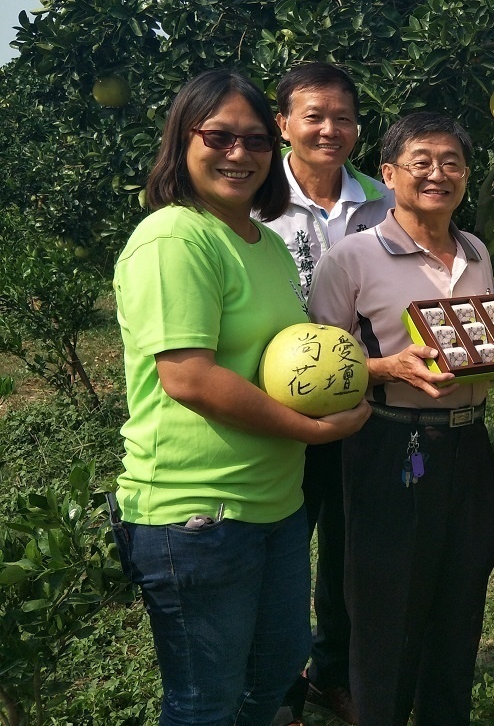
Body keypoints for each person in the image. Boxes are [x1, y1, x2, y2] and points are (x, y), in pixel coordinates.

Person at [109, 69, 369, 726]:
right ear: (181, 140)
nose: (239, 154)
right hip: (199, 511)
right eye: (219, 136)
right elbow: (188, 377)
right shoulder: (175, 237)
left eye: (253, 141)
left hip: (273, 504)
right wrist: (309, 432)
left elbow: (289, 360)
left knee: (278, 667)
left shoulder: (261, 243)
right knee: (205, 701)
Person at [307, 112, 494, 725]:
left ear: (467, 175)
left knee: (461, 594)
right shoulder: (353, 258)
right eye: (421, 161)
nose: (437, 174)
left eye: (452, 162)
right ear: (389, 174)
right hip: (391, 443)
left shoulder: (474, 252)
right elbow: (317, 367)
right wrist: (387, 368)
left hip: (469, 445)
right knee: (386, 606)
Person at [266, 62, 392, 726]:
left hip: (360, 402)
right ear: (283, 122)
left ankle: (332, 671)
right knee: (285, 549)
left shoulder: (381, 199)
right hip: (275, 408)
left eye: (343, 117)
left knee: (348, 547)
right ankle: (280, 686)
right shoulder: (253, 199)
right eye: (313, 115)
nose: (329, 129)